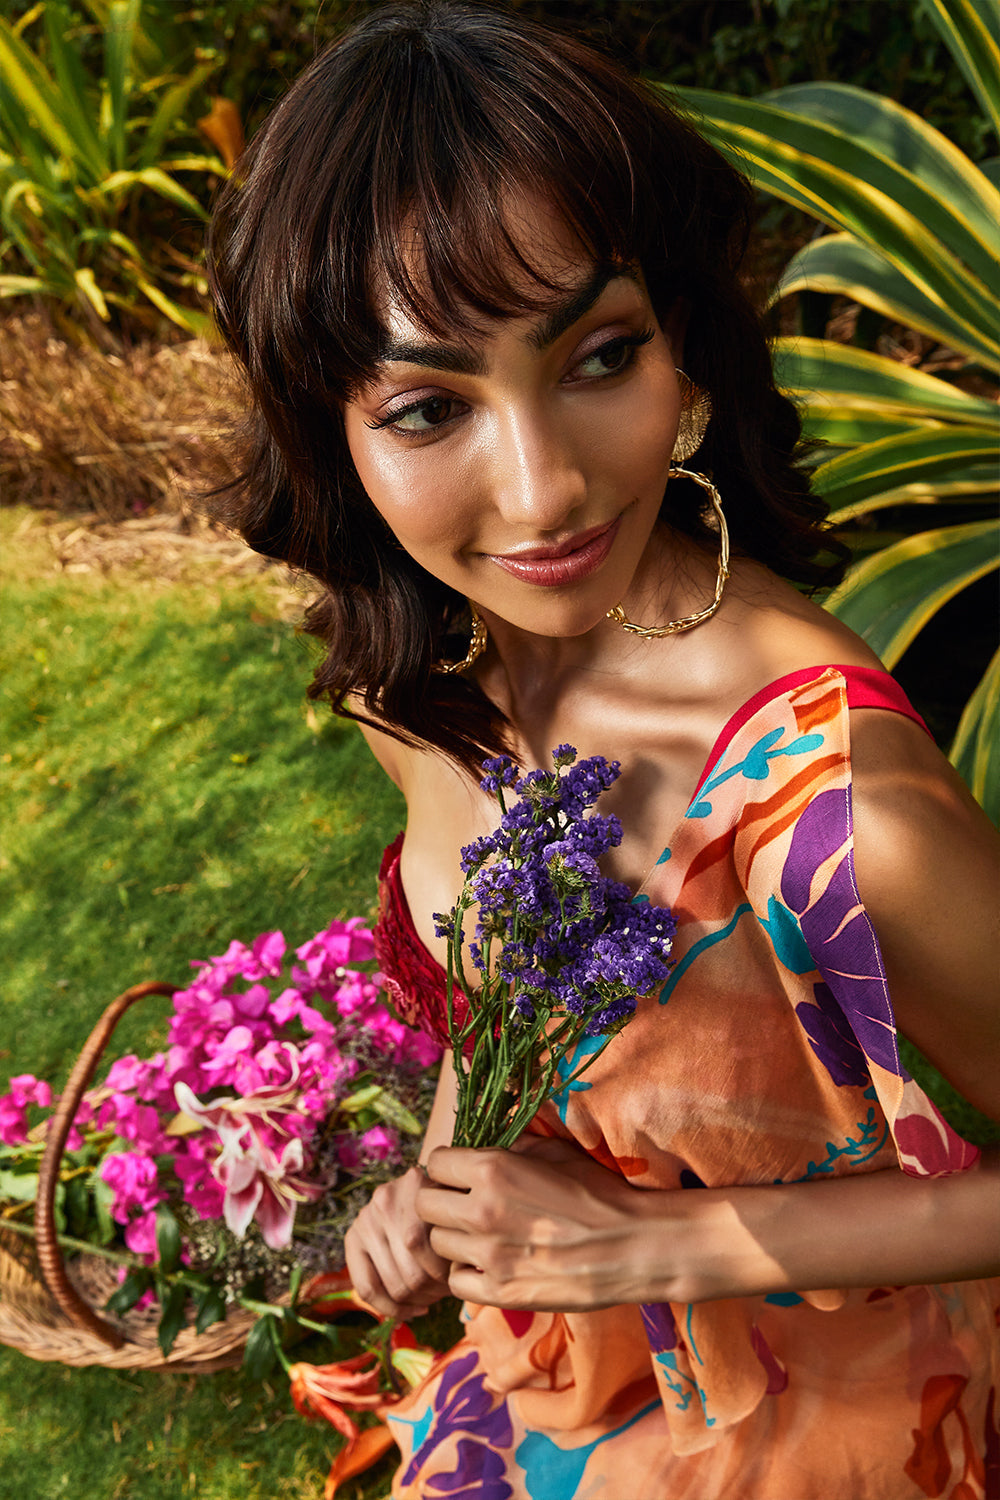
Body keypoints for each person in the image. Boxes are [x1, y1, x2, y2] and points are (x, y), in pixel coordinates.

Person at [207, 3, 1000, 1495]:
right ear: (336, 438)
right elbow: (500, 1007)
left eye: (597, 354)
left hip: (823, 1431)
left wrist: (656, 1242)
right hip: (562, 1384)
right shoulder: (426, 693)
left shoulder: (836, 806)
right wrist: (435, 1186)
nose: (545, 486)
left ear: (682, 348)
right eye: (432, 404)